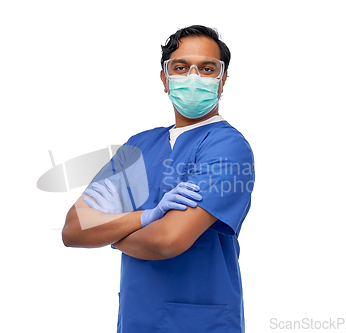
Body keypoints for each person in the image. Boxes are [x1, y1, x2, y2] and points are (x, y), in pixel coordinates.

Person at [62, 25, 255, 333]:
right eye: (180, 68)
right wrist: (145, 218)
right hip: (137, 319)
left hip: (200, 324)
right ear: (165, 79)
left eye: (207, 69)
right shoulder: (140, 145)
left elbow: (167, 241)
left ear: (222, 80)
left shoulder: (227, 147)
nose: (193, 78)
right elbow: (74, 229)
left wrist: (111, 231)